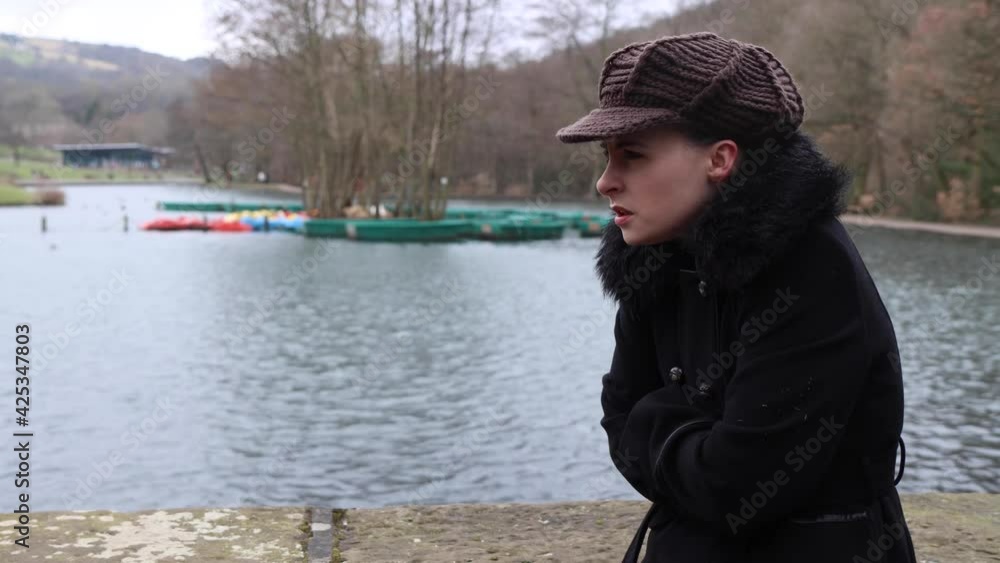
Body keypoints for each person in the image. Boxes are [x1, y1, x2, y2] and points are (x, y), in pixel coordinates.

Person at [555, 32, 917, 563]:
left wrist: (657, 422)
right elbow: (618, 418)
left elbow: (740, 485)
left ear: (720, 159)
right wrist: (692, 444)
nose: (605, 182)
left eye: (632, 155)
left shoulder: (812, 267)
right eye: (607, 158)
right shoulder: (654, 252)